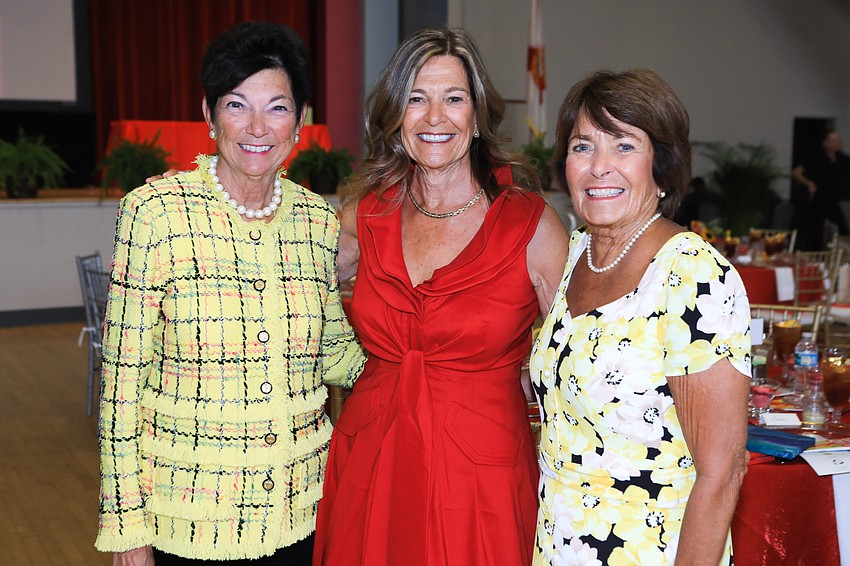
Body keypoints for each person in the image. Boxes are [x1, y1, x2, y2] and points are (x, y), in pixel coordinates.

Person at [95, 22, 366, 565]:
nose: (257, 127)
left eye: (277, 108)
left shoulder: (317, 221)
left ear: (300, 121)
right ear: (209, 114)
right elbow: (122, 385)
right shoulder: (156, 214)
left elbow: (334, 354)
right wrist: (125, 526)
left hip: (303, 511)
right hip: (188, 520)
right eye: (237, 105)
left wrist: (427, 366)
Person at [312, 27, 569, 566]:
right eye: (416, 99)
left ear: (477, 116)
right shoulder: (365, 216)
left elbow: (582, 359)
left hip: (480, 479)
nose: (434, 117)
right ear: (395, 116)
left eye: (453, 98)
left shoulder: (532, 227)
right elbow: (285, 289)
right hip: (373, 463)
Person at [530, 69, 751, 565]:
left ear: (662, 167)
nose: (599, 167)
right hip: (559, 545)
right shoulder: (576, 255)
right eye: (583, 147)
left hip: (651, 549)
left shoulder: (692, 274)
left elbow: (723, 472)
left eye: (624, 146)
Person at [792, 129, 850, 250]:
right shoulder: (816, 157)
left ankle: (842, 252)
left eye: (838, 140)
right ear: (825, 143)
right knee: (816, 227)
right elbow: (797, 172)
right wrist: (809, 183)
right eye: (833, 141)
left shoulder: (842, 159)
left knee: (842, 226)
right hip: (819, 197)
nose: (837, 143)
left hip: (835, 198)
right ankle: (815, 252)